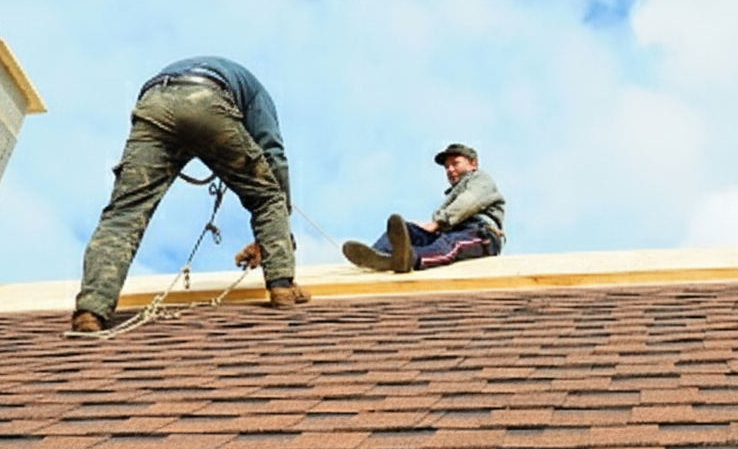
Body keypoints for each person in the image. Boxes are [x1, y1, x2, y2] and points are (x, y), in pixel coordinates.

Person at [71, 56, 308, 333]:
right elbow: (274, 157)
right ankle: (282, 287)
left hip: (154, 103)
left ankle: (91, 310)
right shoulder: (259, 96)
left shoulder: (217, 73)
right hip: (206, 99)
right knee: (268, 196)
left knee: (124, 213)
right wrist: (279, 234)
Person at [342, 143, 505, 273]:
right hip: (451, 229)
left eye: (455, 164)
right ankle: (378, 257)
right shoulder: (452, 194)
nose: (450, 170)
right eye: (447, 167)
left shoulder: (480, 179)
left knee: (450, 244)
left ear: (473, 164)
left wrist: (439, 222)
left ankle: (408, 259)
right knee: (409, 229)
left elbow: (470, 201)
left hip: (482, 234)